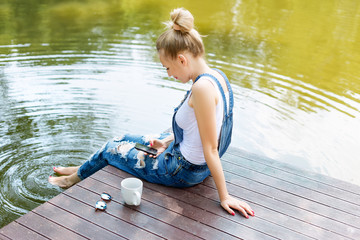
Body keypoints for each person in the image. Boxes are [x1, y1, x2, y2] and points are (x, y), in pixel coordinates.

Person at [49, 8, 254, 218]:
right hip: (184, 158)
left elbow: (211, 148)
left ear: (182, 60)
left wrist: (225, 197)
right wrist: (166, 142)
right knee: (122, 138)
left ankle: (70, 180)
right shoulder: (216, 77)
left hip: (180, 171)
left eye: (167, 67)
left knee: (112, 148)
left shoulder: (201, 89)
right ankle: (83, 168)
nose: (169, 74)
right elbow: (200, 129)